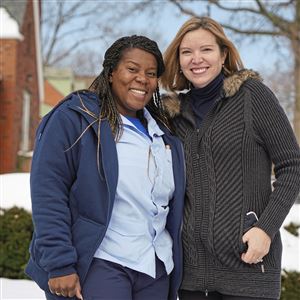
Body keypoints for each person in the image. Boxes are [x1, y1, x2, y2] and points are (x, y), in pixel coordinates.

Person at [25, 35, 185, 300]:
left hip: (155, 267)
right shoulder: (76, 119)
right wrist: (59, 263)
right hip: (101, 263)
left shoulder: (164, 135)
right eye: (132, 69)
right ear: (111, 73)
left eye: (151, 73)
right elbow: (48, 191)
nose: (142, 79)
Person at [160, 17, 300, 300]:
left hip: (249, 266)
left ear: (223, 54)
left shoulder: (253, 97)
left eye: (206, 50)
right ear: (178, 59)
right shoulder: (173, 115)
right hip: (192, 277)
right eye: (186, 52)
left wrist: (266, 229)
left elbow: (293, 166)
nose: (196, 59)